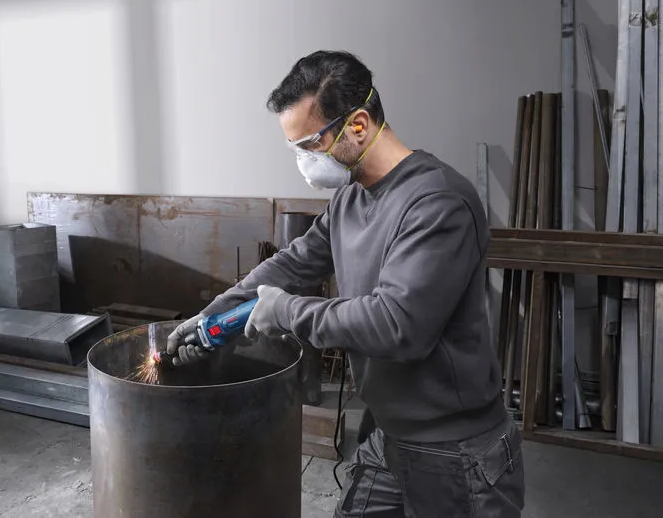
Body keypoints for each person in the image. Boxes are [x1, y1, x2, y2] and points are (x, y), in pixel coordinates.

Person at [167, 50, 525, 517]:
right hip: (389, 436)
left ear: (357, 125)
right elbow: (294, 264)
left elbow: (397, 326)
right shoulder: (350, 199)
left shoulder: (438, 202)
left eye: (309, 145)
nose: (304, 161)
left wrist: (285, 311)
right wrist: (214, 314)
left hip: (455, 452)